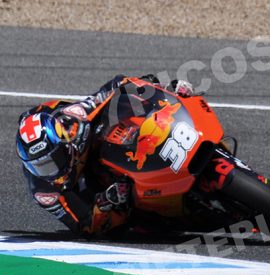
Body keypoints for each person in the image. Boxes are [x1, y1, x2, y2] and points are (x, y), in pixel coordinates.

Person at [15, 75, 194, 236]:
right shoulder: (44, 191)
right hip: (93, 187)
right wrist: (105, 201)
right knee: (141, 223)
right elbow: (83, 225)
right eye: (40, 167)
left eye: (53, 161)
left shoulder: (75, 119)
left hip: (98, 141)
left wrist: (165, 89)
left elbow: (118, 85)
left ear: (65, 144)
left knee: (125, 101)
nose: (50, 171)